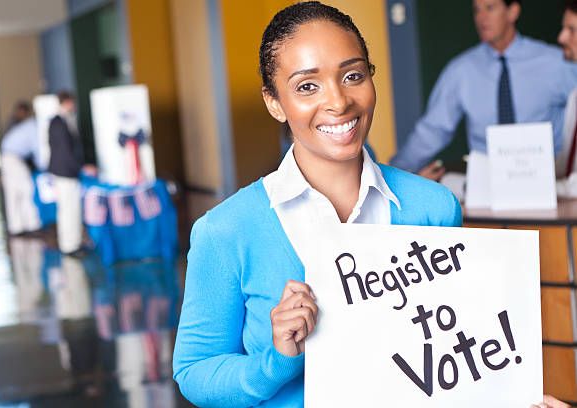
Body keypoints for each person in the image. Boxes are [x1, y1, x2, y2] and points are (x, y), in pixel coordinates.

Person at [173, 2, 568, 407]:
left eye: (352, 75)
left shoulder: (433, 208)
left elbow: (453, 362)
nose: (339, 101)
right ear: (274, 102)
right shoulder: (225, 231)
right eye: (307, 86)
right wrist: (275, 361)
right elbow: (195, 373)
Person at [390, 0, 577, 181]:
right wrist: (389, 177)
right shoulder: (461, 71)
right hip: (486, 186)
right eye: (477, 10)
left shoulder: (558, 63)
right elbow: (431, 131)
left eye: (490, 7)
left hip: (549, 184)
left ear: (512, 12)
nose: (481, 17)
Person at [48, 91, 85, 255]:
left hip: (66, 170)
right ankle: (69, 245)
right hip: (65, 171)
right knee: (68, 209)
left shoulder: (62, 121)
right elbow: (64, 151)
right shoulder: (58, 123)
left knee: (71, 208)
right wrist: (78, 167)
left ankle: (73, 243)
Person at [0, 100, 43, 235]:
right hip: (13, 158)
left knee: (14, 193)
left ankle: (16, 227)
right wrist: (44, 167)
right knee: (27, 190)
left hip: (8, 158)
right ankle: (32, 226)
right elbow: (37, 148)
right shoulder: (32, 126)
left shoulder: (22, 125)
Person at [556, 0, 577, 195]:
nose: (561, 37)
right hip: (566, 221)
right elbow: (564, 167)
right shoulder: (574, 97)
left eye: (572, 30)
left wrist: (549, 189)